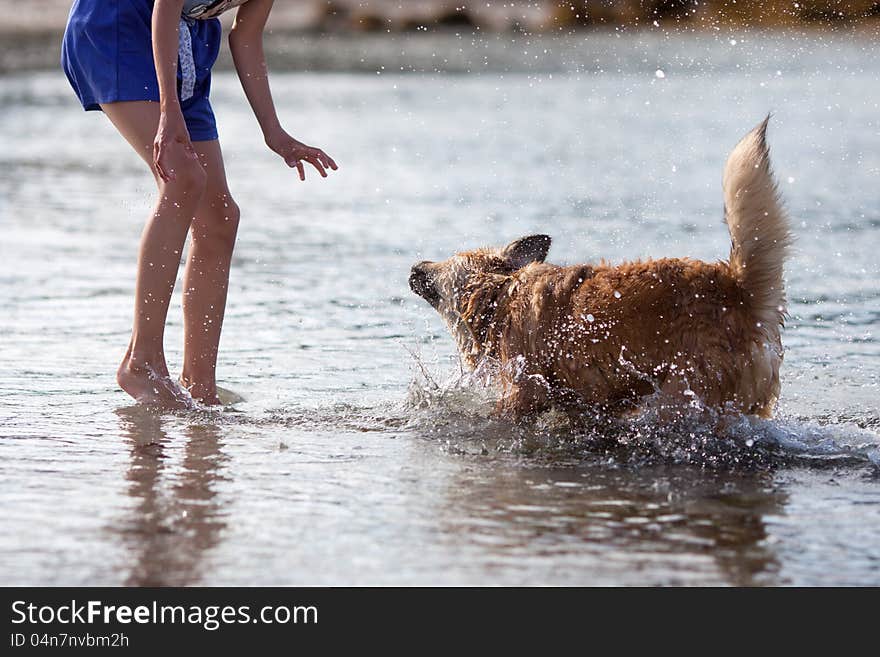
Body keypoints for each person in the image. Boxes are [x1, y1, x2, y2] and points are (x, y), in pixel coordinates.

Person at [61, 0, 337, 407]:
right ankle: (143, 362)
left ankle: (200, 386)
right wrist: (169, 112)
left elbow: (245, 36)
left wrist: (273, 131)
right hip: (120, 27)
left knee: (220, 217)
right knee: (183, 180)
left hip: (186, 40)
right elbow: (165, 8)